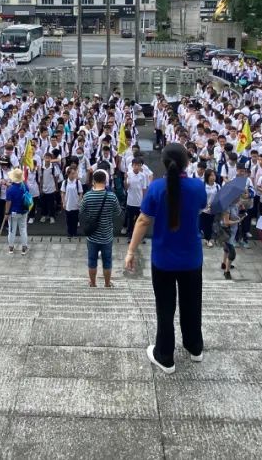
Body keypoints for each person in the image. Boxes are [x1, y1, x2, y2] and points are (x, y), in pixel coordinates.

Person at [125, 143, 206, 375]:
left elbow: (142, 221)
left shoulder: (156, 188)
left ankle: (165, 355)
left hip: (163, 260)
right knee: (192, 304)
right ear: (187, 163)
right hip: (191, 258)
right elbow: (200, 208)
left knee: (165, 307)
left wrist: (131, 251)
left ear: (163, 163)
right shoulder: (197, 187)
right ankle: (194, 346)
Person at [80, 169, 122, 287]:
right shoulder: (111, 197)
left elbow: (81, 211)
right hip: (107, 235)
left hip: (92, 236)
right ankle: (107, 284)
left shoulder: (87, 196)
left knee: (92, 260)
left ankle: (93, 283)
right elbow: (118, 212)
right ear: (105, 181)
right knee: (107, 261)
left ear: (93, 181)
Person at [3, 167, 30, 255]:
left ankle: (11, 247)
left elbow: (8, 202)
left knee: (11, 230)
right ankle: (24, 247)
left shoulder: (10, 189)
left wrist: (6, 213)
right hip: (23, 211)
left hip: (13, 213)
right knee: (23, 229)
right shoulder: (25, 186)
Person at [61, 164, 83, 239]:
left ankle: (75, 233)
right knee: (68, 220)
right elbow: (63, 193)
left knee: (75, 220)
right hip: (68, 204)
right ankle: (69, 233)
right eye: (72, 173)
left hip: (75, 204)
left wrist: (79, 201)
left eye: (74, 173)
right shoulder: (65, 182)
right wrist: (63, 202)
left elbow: (80, 192)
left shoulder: (77, 182)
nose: (74, 175)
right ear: (68, 174)